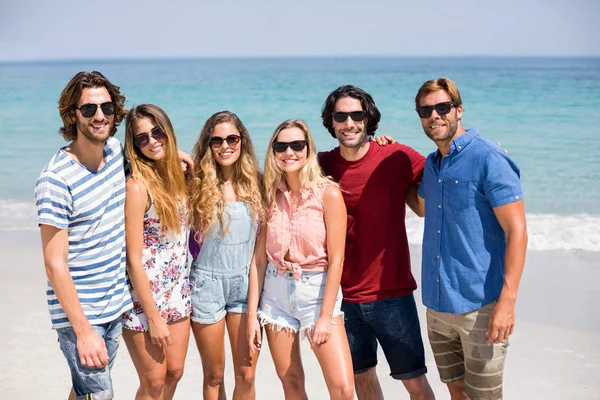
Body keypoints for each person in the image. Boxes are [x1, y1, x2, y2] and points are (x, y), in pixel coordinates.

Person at [412, 77, 528, 400]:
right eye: (425, 110)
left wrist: (508, 301)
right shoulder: (431, 165)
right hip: (437, 306)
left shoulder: (489, 157)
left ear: (458, 110)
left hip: (481, 308)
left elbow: (517, 231)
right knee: (456, 392)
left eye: (442, 107)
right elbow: (419, 205)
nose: (434, 115)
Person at [318, 85, 435, 400]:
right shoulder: (320, 166)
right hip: (342, 298)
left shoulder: (394, 156)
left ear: (368, 119)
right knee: (362, 380)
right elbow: (278, 175)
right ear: (331, 122)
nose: (349, 123)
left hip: (392, 295)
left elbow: (440, 170)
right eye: (340, 116)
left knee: (415, 385)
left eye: (357, 115)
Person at [34, 71, 133, 400]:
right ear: (72, 115)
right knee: (100, 396)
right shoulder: (56, 179)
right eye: (89, 109)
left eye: (106, 107)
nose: (100, 116)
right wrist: (83, 332)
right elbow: (54, 263)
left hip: (114, 305)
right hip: (81, 315)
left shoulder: (116, 153)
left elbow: (150, 160)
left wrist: (178, 159)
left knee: (84, 392)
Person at [247, 119, 354, 400]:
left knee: (343, 389)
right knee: (291, 383)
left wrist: (324, 317)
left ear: (308, 148)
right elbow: (258, 262)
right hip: (274, 295)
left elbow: (338, 259)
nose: (289, 152)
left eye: (296, 145)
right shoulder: (269, 194)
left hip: (317, 293)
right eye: (281, 146)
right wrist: (251, 316)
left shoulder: (327, 193)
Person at [187, 111, 264, 400]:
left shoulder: (257, 182)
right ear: (208, 145)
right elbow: (159, 164)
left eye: (232, 138)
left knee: (246, 375)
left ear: (242, 140)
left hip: (246, 285)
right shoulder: (194, 183)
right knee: (214, 375)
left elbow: (302, 168)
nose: (225, 146)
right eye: (216, 140)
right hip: (205, 286)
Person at [121, 104, 192, 399]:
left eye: (157, 132)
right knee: (154, 380)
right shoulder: (137, 187)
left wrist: (182, 156)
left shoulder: (178, 176)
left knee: (174, 372)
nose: (152, 141)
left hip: (178, 288)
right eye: (142, 138)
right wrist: (153, 317)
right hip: (144, 297)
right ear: (134, 146)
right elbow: (133, 259)